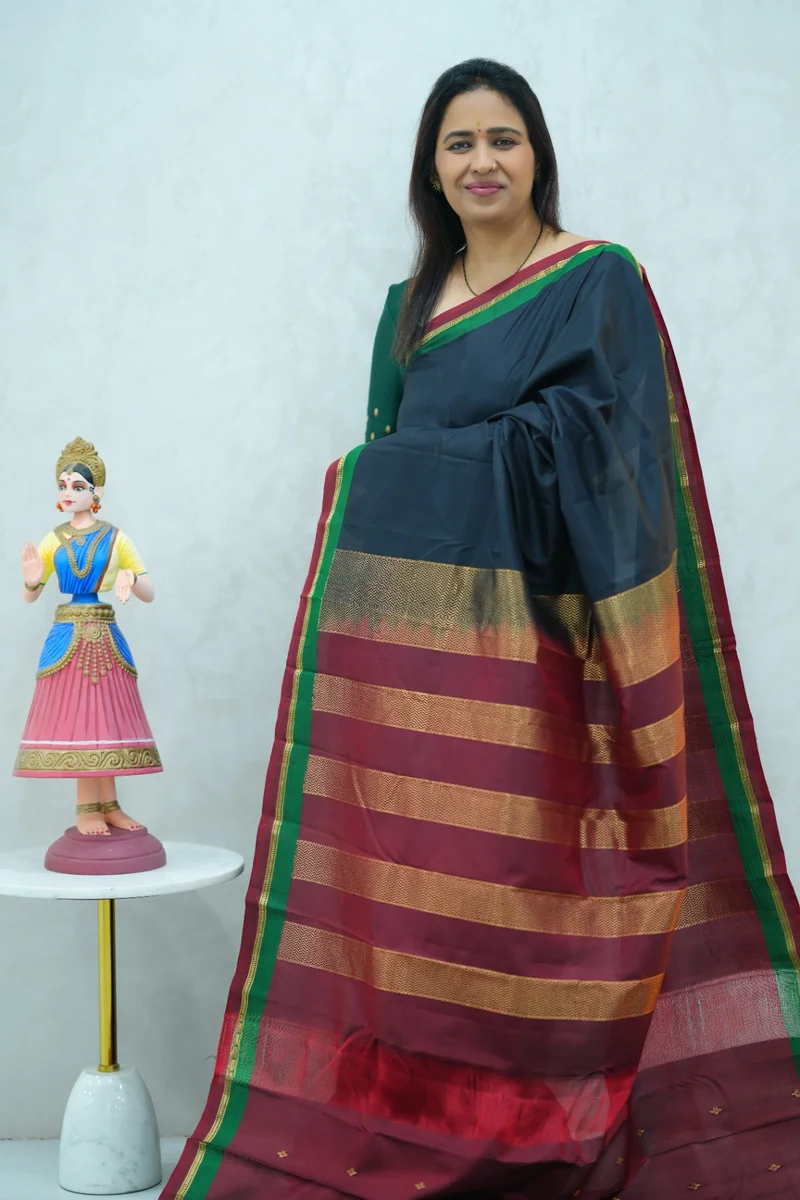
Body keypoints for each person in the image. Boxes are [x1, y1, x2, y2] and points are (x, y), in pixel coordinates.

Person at [164, 59, 800, 1199]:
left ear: (537, 154)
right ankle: (422, 1123)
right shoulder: (407, 312)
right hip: (426, 677)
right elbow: (392, 485)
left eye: (503, 138)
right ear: (431, 170)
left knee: (527, 897)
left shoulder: (595, 279)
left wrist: (431, 469)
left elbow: (617, 460)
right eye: (458, 143)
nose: (482, 161)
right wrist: (387, 480)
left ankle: (558, 1116)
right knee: (428, 902)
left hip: (559, 666)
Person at [15, 437, 161, 835]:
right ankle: (86, 809)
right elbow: (31, 595)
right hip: (67, 636)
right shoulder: (53, 539)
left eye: (77, 486)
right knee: (79, 718)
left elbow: (148, 591)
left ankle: (110, 805)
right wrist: (32, 581)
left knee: (104, 718)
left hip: (104, 633)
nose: (68, 493)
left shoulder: (116, 538)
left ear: (96, 493)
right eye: (62, 486)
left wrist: (130, 577)